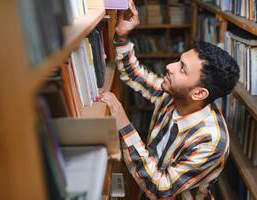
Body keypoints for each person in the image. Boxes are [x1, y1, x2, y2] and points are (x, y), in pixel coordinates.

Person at [100, 1, 240, 199]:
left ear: (199, 93)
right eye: (178, 60)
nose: (170, 66)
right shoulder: (175, 95)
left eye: (182, 68)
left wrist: (123, 123)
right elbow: (136, 76)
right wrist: (122, 36)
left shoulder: (211, 141)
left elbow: (161, 189)